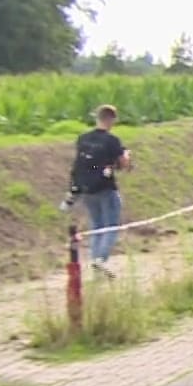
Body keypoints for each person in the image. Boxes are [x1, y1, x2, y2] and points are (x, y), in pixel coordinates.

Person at [70, 104, 132, 276]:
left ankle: (95, 261)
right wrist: (126, 156)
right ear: (112, 119)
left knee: (96, 226)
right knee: (111, 226)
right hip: (106, 187)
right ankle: (100, 260)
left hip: (87, 189)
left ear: (97, 118)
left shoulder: (83, 139)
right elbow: (124, 164)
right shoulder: (112, 141)